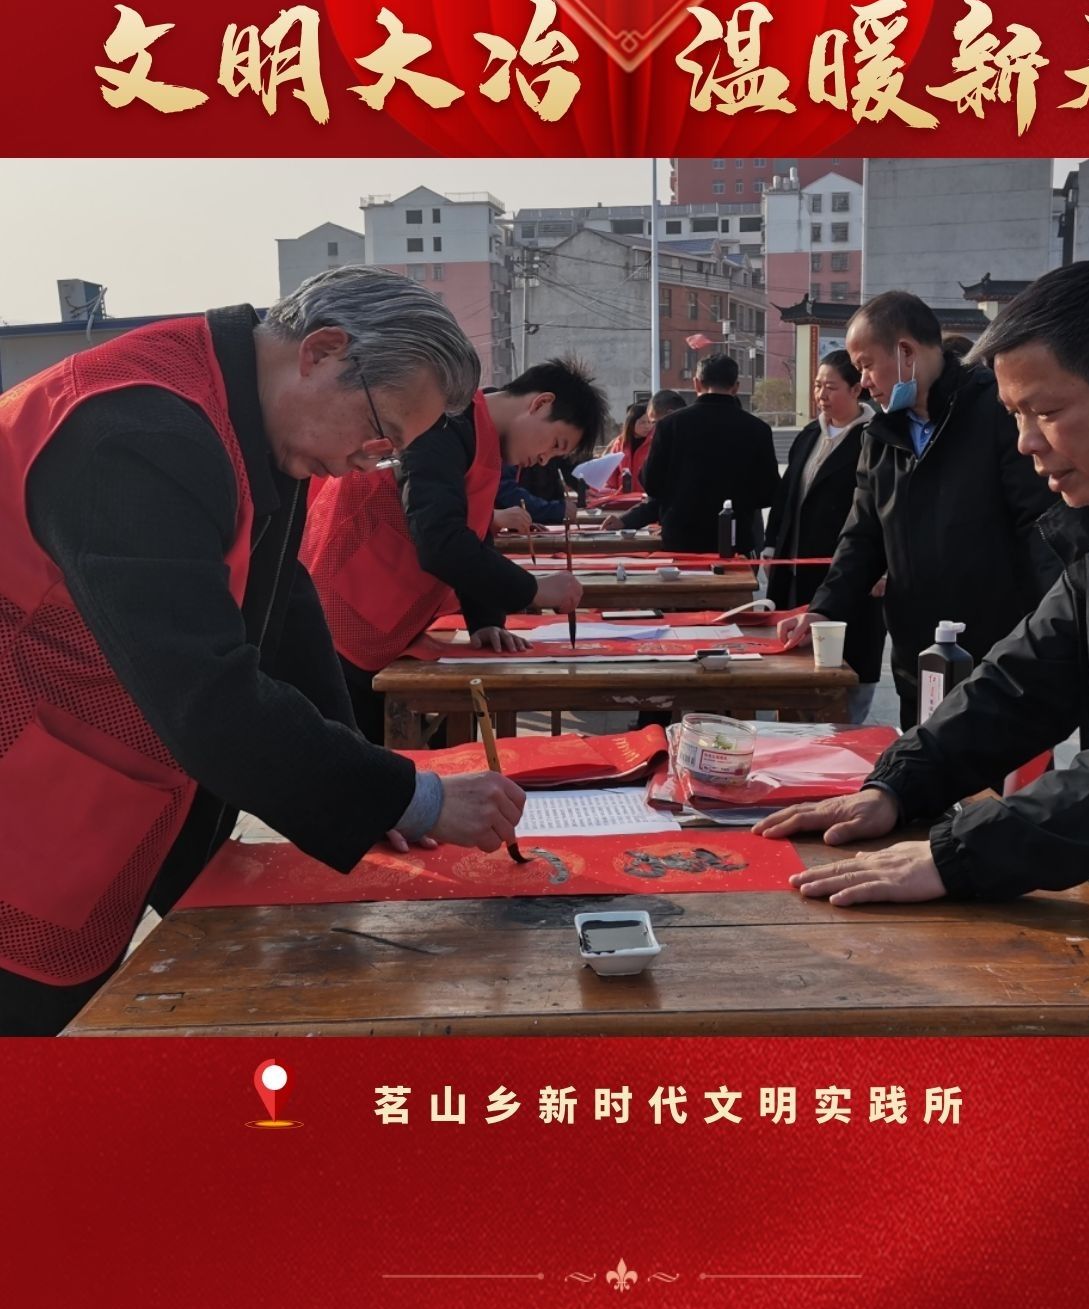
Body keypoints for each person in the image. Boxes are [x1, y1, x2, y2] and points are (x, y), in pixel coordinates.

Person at [0, 268, 526, 1036]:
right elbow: (203, 694)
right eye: (378, 431)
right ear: (322, 351)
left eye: (391, 452)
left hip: (111, 791)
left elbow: (282, 607)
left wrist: (368, 783)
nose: (367, 462)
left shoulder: (252, 419)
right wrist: (414, 798)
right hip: (30, 804)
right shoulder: (136, 429)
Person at [759, 260, 1089, 1026]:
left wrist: (959, 852)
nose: (1024, 444)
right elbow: (1022, 681)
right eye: (1015, 415)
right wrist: (899, 786)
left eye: (1045, 412)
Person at [780, 291, 1060, 724]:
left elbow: (1039, 526)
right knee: (923, 753)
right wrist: (823, 609)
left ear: (906, 352)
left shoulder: (997, 412)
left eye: (866, 365)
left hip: (999, 649)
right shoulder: (880, 437)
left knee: (999, 761)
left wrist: (1051, 632)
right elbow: (862, 537)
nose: (864, 381)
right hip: (918, 651)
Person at [303, 358, 607, 735]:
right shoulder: (442, 420)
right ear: (541, 403)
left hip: (384, 616)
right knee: (356, 751)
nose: (544, 458)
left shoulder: (481, 437)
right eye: (555, 443)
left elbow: (472, 529)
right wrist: (535, 589)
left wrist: (485, 620)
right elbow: (441, 540)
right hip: (340, 618)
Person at [764, 351, 885, 722]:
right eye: (818, 386)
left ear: (856, 389)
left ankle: (846, 736)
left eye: (831, 387)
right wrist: (772, 544)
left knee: (848, 666)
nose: (821, 395)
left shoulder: (876, 437)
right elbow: (787, 495)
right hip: (796, 570)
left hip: (853, 574)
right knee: (794, 662)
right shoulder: (810, 434)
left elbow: (885, 511)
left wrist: (885, 566)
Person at [641, 354, 781, 553]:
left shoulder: (669, 426)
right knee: (733, 574)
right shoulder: (758, 429)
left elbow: (652, 484)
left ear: (696, 383)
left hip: (681, 539)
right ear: (735, 387)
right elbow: (768, 492)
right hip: (734, 537)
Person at [620, 389, 689, 532]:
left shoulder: (667, 445)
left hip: (682, 529)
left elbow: (651, 486)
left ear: (670, 415)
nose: (652, 429)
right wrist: (624, 521)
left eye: (654, 423)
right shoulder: (621, 444)